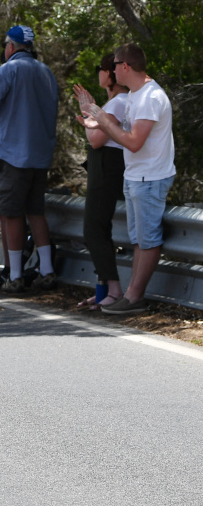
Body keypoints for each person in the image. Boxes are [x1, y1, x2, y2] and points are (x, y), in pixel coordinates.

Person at [73, 43, 175, 316]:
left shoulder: (150, 97)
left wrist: (102, 122)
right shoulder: (135, 94)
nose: (111, 69)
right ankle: (130, 295)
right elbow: (116, 130)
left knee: (147, 239)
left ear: (125, 66)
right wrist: (95, 118)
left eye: (114, 64)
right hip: (136, 176)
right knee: (140, 239)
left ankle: (134, 297)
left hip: (149, 177)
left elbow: (133, 142)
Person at [0, 25, 59, 292]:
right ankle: (47, 269)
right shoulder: (46, 72)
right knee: (36, 212)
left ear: (10, 47)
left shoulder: (9, 70)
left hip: (13, 155)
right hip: (40, 155)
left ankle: (15, 275)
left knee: (11, 214)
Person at [73, 53, 128, 310]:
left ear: (109, 74)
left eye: (101, 69)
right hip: (102, 164)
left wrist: (87, 114)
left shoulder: (118, 104)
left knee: (94, 228)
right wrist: (91, 115)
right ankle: (103, 289)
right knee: (97, 228)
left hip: (108, 164)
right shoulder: (112, 103)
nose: (98, 73)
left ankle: (114, 290)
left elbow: (96, 139)